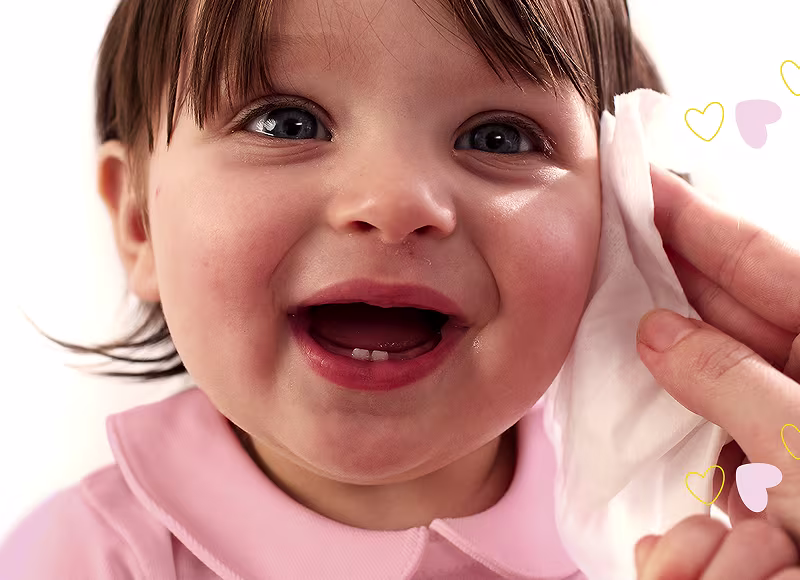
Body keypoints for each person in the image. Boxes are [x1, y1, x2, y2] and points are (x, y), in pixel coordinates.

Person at [2, 0, 799, 578]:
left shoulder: (701, 530)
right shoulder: (80, 558)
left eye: (499, 138)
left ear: (622, 226)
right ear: (139, 221)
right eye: (286, 123)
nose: (393, 202)